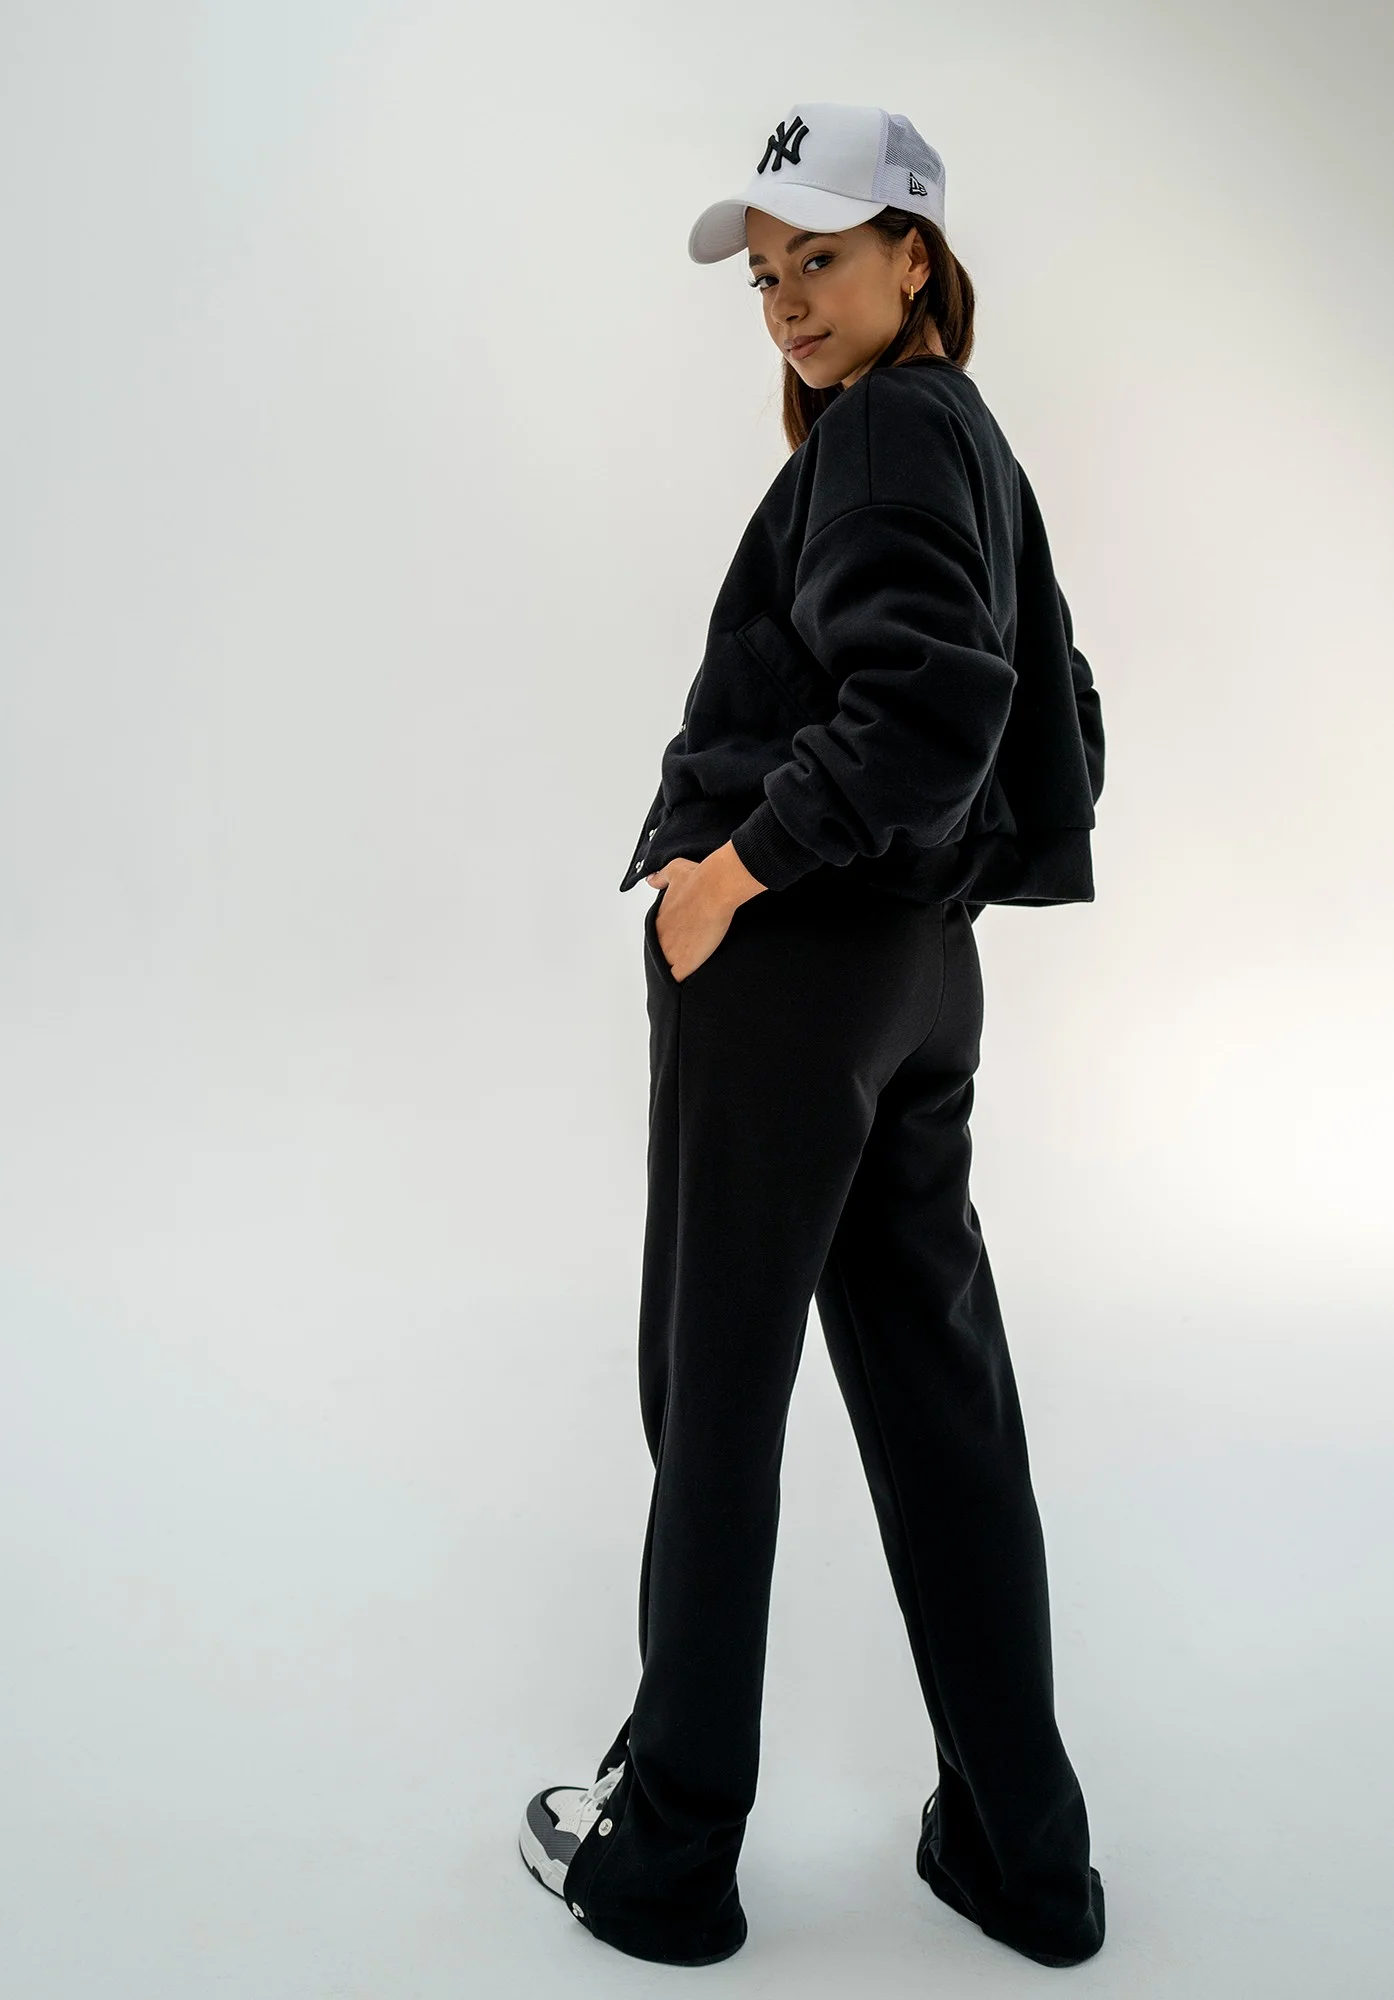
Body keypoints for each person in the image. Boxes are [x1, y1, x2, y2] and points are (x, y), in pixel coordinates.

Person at [517, 101, 1108, 1972]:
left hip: (787, 971)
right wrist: (924, 891)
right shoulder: (969, 443)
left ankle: (666, 1857)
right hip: (910, 977)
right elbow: (1055, 717)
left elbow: (930, 707)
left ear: (915, 256)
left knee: (715, 1405)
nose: (783, 297)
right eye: (765, 272)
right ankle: (1021, 1856)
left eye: (822, 258)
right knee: (939, 1408)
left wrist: (727, 876)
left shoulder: (881, 435)